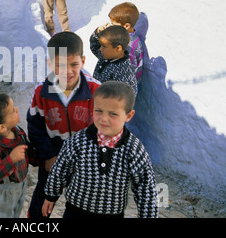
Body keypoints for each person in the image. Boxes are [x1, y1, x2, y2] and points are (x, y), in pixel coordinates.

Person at [42, 81, 158, 218]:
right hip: (75, 211)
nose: (103, 119)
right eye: (98, 111)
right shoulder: (79, 141)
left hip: (112, 215)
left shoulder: (133, 149)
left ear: (128, 115)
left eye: (113, 114)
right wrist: (50, 195)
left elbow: (146, 187)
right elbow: (60, 169)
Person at [27, 31, 101, 218]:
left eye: (74, 64)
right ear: (50, 63)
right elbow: (35, 127)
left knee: (83, 208)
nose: (68, 71)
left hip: (85, 162)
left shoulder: (96, 91)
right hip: (53, 158)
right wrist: (49, 155)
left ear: (83, 61)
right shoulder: (41, 92)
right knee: (40, 206)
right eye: (60, 65)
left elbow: (103, 129)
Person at [90, 25, 138, 96]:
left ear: (118, 48)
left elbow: (129, 95)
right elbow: (94, 46)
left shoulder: (124, 72)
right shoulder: (106, 55)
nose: (100, 49)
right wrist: (97, 32)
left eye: (104, 46)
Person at [108, 2, 144, 84]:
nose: (111, 26)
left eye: (114, 25)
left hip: (127, 85)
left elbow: (129, 68)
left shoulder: (128, 45)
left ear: (126, 26)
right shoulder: (131, 37)